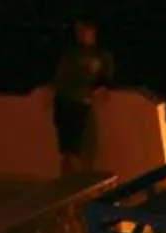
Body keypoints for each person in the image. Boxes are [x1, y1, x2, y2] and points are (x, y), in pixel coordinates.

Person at [52, 17, 115, 176]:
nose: (80, 34)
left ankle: (74, 180)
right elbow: (61, 77)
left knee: (82, 147)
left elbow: (105, 78)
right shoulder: (72, 53)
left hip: (80, 104)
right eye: (78, 31)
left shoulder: (99, 55)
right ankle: (69, 180)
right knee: (69, 149)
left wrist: (100, 88)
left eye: (83, 30)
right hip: (66, 102)